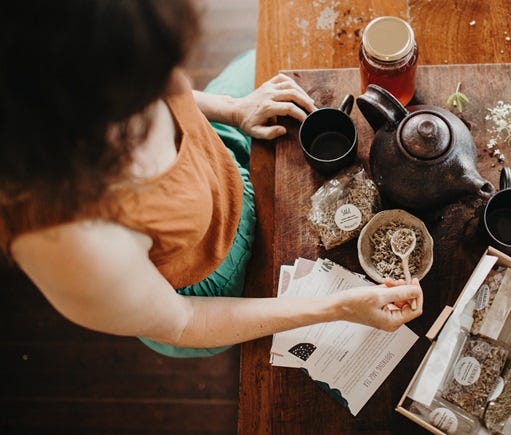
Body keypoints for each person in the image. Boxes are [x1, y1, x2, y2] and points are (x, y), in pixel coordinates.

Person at [0, 0, 423, 358]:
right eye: (146, 90)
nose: (181, 83)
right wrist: (338, 307)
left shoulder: (98, 49)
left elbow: (174, 89)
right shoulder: (69, 243)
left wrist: (232, 108)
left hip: (221, 161)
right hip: (208, 283)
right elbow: (184, 324)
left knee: (280, 64)